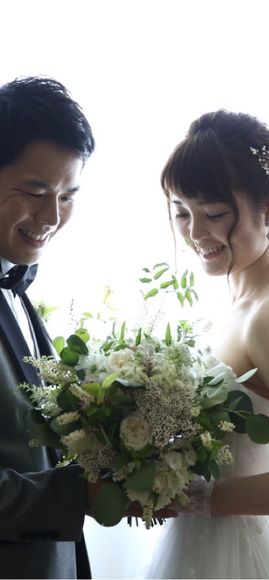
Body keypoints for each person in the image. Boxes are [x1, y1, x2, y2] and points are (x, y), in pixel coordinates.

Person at [145, 110, 269, 579]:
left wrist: (192, 497)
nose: (196, 233)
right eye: (182, 212)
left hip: (242, 554)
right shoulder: (244, 302)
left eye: (214, 214)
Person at [0, 76, 96, 579]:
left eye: (68, 195)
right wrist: (80, 495)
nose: (52, 216)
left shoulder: (16, 285)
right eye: (35, 192)